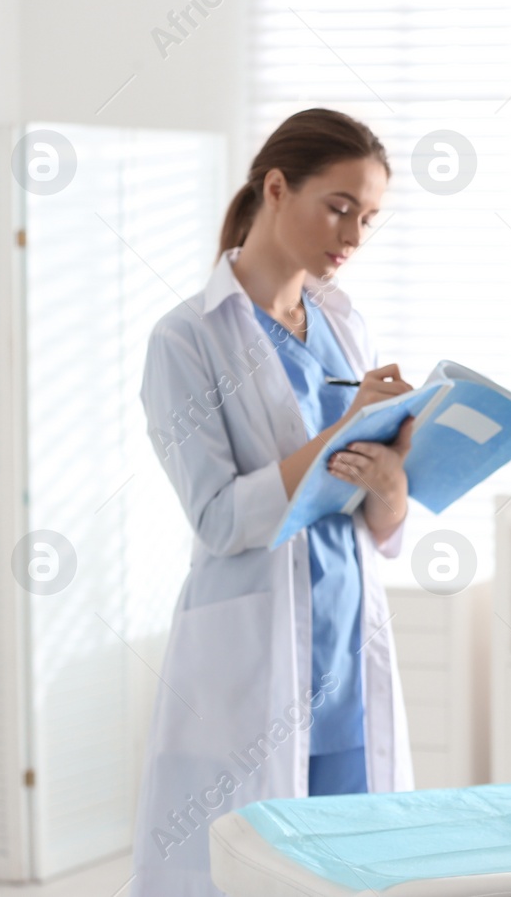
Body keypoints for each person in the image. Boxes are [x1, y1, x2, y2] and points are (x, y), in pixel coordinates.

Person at [132, 108, 417, 897]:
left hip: (345, 649)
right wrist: (344, 435)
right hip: (254, 658)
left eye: (369, 217)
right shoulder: (186, 338)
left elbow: (375, 519)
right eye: (339, 206)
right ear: (277, 186)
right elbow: (220, 517)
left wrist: (391, 487)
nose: (353, 234)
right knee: (247, 871)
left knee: (351, 868)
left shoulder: (342, 324)